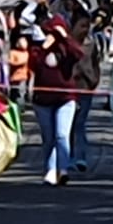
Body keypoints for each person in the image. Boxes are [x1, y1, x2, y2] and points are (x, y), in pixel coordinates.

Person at [29, 17, 84, 186]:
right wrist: (45, 46)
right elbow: (33, 63)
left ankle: (63, 169)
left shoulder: (67, 48)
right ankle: (50, 169)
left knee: (62, 135)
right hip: (43, 100)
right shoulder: (39, 48)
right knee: (49, 137)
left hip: (65, 98)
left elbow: (78, 54)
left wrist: (64, 37)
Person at [68, 10, 101, 173]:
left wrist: (95, 78)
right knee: (69, 124)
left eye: (87, 26)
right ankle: (68, 155)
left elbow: (95, 62)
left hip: (85, 87)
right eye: (81, 26)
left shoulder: (91, 44)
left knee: (80, 123)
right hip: (69, 87)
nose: (85, 29)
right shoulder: (67, 44)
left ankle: (80, 157)